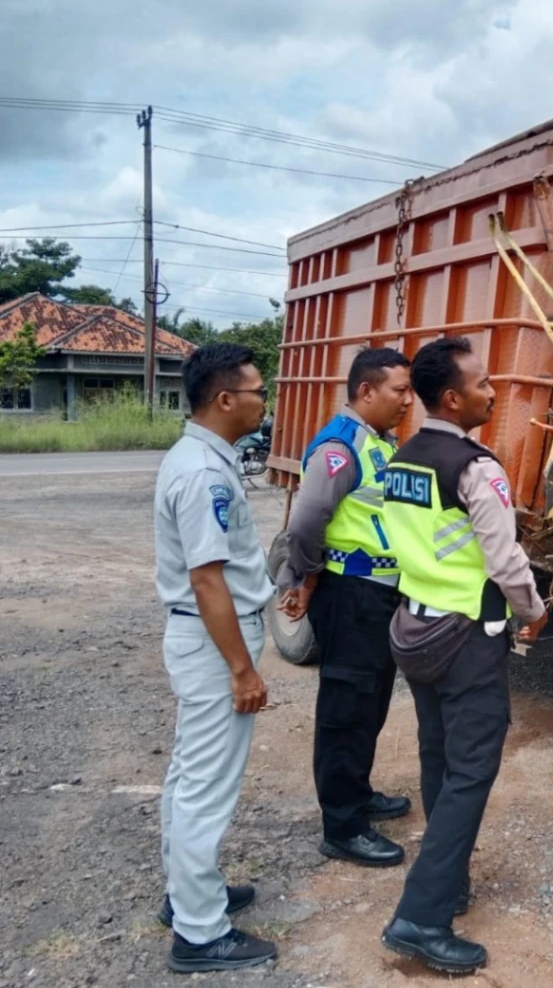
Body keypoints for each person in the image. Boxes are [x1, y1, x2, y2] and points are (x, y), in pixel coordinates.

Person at [377, 337, 547, 975]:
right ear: (452, 397)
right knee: (471, 773)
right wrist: (533, 610)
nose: (493, 391)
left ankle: (446, 883)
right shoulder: (476, 468)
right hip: (467, 638)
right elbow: (505, 561)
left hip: (415, 631)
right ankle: (421, 918)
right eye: (481, 383)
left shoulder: (404, 458)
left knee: (439, 758)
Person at [152, 343, 277, 973]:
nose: (264, 400)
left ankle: (186, 896)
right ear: (225, 399)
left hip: (200, 638)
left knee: (187, 774)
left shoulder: (203, 458)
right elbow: (208, 581)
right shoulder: (203, 473)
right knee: (206, 786)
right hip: (211, 641)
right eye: (257, 390)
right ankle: (200, 933)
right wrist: (242, 668)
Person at [277, 347, 415, 867]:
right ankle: (342, 826)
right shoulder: (340, 446)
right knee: (345, 708)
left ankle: (358, 793)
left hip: (377, 595)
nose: (408, 400)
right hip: (348, 592)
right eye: (399, 390)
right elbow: (307, 521)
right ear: (366, 391)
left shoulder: (377, 443)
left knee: (370, 702)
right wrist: (307, 577)